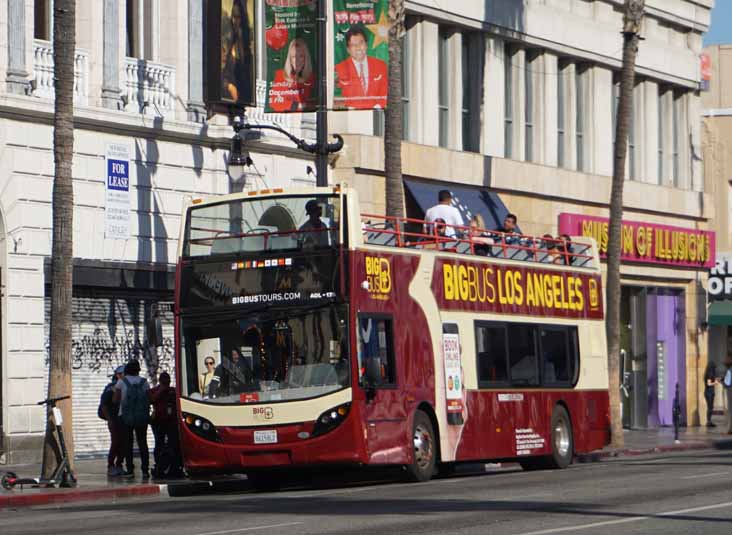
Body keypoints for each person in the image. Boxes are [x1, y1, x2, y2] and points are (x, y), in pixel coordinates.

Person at [334, 25, 388, 109]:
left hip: (376, 116)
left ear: (366, 45)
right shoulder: (339, 69)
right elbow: (337, 97)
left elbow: (385, 94)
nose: (358, 48)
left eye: (361, 43)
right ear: (348, 49)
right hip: (350, 117)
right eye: (353, 45)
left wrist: (375, 110)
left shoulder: (380, 66)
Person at [113, 360, 151, 478]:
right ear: (138, 370)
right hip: (141, 416)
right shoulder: (144, 382)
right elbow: (148, 398)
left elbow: (115, 400)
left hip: (125, 417)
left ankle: (130, 470)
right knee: (142, 443)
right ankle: (145, 470)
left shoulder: (121, 382)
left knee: (127, 444)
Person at [268, 38, 315, 112]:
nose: (297, 60)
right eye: (293, 57)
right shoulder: (280, 75)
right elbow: (274, 102)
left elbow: (314, 103)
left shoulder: (311, 78)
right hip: (287, 118)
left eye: (301, 56)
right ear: (289, 59)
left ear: (306, 58)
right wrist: (296, 105)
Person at [149, 372, 182, 479]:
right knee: (159, 443)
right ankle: (159, 465)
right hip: (159, 421)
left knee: (174, 444)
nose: (166, 384)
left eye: (167, 381)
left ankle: (174, 467)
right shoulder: (155, 390)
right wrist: (161, 390)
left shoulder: (173, 391)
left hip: (172, 422)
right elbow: (151, 399)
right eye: (164, 381)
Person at [221, 0, 253, 103]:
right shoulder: (228, 42)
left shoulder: (246, 47)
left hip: (243, 96)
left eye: (238, 17)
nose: (235, 21)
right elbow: (223, 74)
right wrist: (229, 86)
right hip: (229, 95)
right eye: (233, 17)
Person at [99, 365, 125, 477]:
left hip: (122, 418)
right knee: (115, 442)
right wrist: (110, 419)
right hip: (114, 418)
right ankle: (111, 465)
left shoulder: (124, 386)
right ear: (118, 375)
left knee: (123, 442)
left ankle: (119, 464)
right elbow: (104, 405)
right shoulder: (112, 387)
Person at [703, 362, 719, 427]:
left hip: (711, 392)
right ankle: (708, 422)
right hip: (708, 392)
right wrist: (715, 383)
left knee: (711, 407)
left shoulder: (710, 374)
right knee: (709, 407)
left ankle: (709, 421)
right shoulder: (709, 374)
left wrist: (717, 380)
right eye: (714, 368)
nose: (715, 369)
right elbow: (709, 384)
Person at [724, 357, 732, 435]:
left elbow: (727, 382)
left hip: (730, 390)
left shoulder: (729, 370)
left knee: (730, 410)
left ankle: (729, 429)